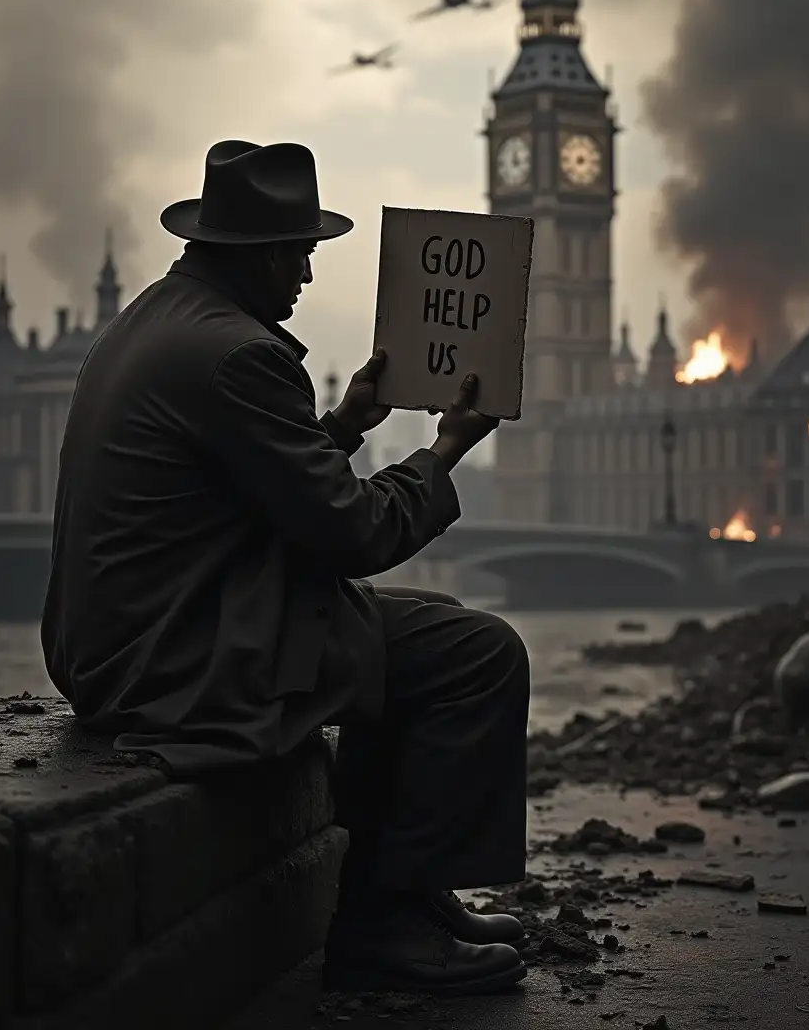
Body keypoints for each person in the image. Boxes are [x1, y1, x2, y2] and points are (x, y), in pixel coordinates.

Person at [41, 139, 531, 998]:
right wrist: (442, 452)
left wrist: (341, 424)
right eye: (301, 252)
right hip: (176, 656)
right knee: (472, 652)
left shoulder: (158, 318)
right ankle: (386, 923)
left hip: (114, 641)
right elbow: (351, 534)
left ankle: (406, 889)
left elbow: (249, 489)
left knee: (402, 633)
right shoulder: (241, 356)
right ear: (263, 254)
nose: (307, 275)